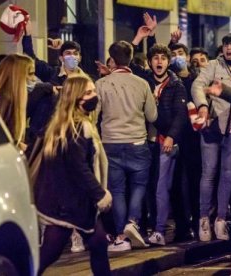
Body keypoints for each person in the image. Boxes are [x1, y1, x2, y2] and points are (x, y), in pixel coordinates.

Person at [34, 75, 112, 275]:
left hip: (73, 201)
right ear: (74, 98)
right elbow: (78, 167)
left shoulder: (69, 125)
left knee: (98, 243)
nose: (94, 96)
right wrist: (99, 194)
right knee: (51, 251)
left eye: (93, 91)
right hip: (70, 203)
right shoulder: (77, 127)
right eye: (88, 93)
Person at [191, 33, 231, 242]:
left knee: (227, 175)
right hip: (212, 127)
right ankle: (203, 220)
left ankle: (221, 220)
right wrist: (202, 105)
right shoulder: (213, 65)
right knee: (208, 174)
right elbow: (197, 85)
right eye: (226, 45)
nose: (229, 49)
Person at [96, 40, 157, 252]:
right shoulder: (142, 84)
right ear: (131, 58)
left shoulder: (101, 84)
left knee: (118, 190)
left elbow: (94, 114)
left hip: (110, 142)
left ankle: (121, 237)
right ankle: (133, 222)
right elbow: (152, 115)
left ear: (112, 59)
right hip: (137, 142)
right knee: (139, 186)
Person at [144, 44, 188, 245]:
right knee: (149, 187)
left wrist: (171, 136)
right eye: (155, 58)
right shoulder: (144, 81)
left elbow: (180, 116)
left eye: (163, 57)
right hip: (146, 141)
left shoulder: (176, 84)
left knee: (162, 187)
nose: (159, 61)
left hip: (165, 142)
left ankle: (160, 230)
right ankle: (151, 226)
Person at [0, 54, 34, 150]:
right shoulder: (2, 101)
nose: (33, 79)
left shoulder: (4, 99)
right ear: (18, 75)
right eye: (31, 73)